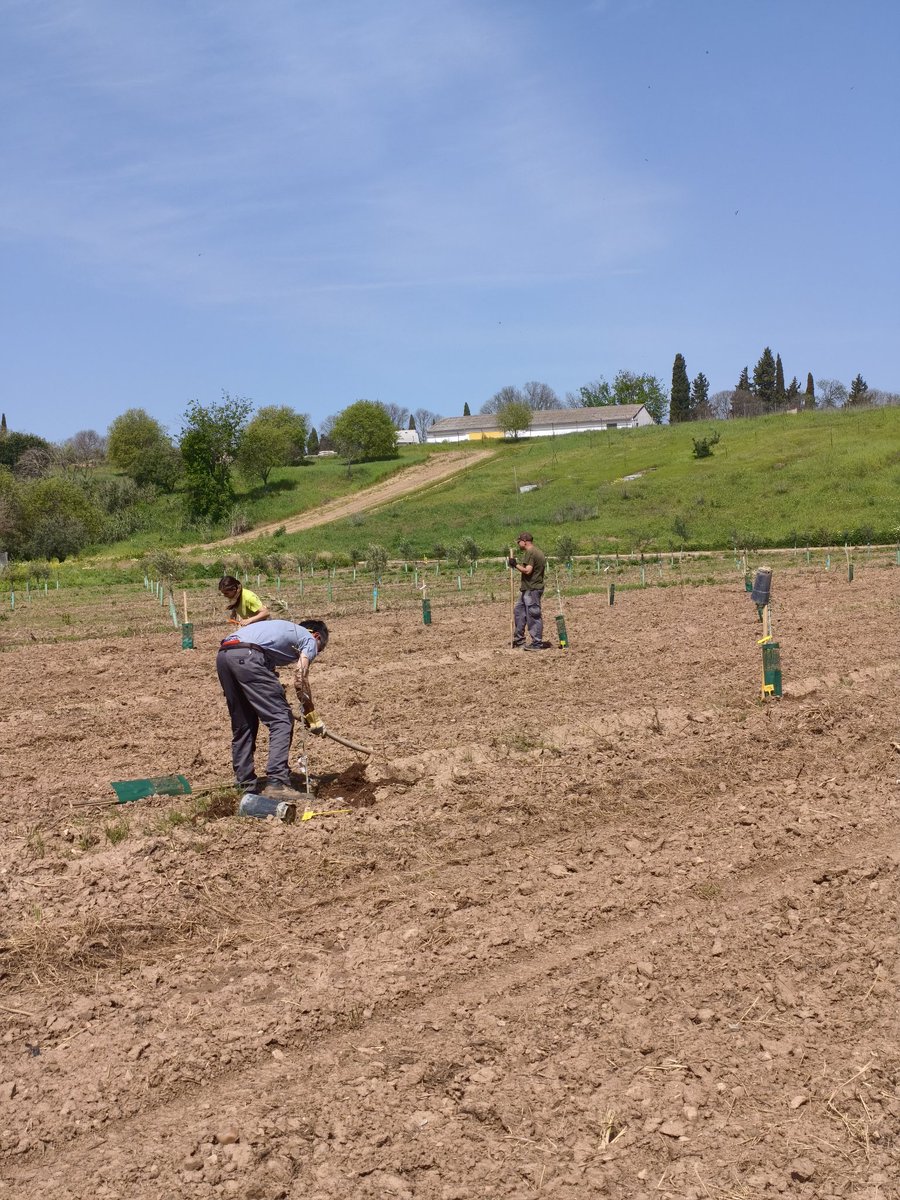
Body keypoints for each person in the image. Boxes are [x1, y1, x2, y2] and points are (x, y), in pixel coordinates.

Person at [216, 618, 329, 796]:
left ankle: (244, 784)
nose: (316, 652)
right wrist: (311, 715)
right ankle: (277, 782)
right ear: (316, 636)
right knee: (281, 719)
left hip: (224, 655)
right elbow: (300, 677)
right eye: (320, 649)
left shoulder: (280, 632)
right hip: (248, 656)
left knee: (244, 722)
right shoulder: (309, 639)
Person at [508, 531, 550, 650]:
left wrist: (515, 565)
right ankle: (519, 639)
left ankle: (536, 643)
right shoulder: (537, 552)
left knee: (533, 615)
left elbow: (528, 570)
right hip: (527, 589)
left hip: (532, 589)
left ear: (525, 542)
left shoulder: (531, 552)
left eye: (519, 541)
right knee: (519, 612)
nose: (518, 543)